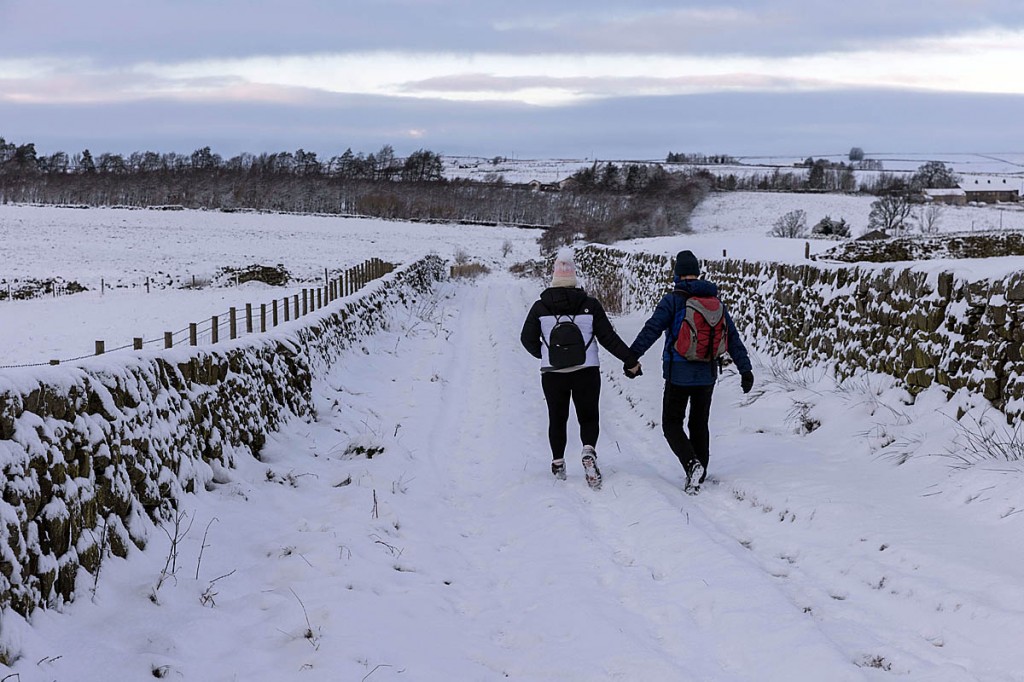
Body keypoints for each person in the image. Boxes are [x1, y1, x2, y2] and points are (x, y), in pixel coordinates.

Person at [628, 249, 754, 494]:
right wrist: (745, 369)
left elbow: (652, 329)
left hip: (678, 373)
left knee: (671, 424)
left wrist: (631, 357)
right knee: (699, 423)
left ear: (677, 274)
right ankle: (700, 472)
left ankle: (691, 465)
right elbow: (733, 339)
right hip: (707, 373)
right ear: (697, 272)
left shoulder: (673, 300)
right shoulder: (716, 302)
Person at [520, 247, 641, 489]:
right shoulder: (590, 304)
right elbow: (608, 338)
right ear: (574, 277)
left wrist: (546, 355)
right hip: (586, 371)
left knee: (557, 418)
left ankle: (557, 462)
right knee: (588, 415)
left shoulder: (540, 307)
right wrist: (630, 361)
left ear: (554, 277)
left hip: (553, 373)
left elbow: (526, 339)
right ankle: (588, 451)